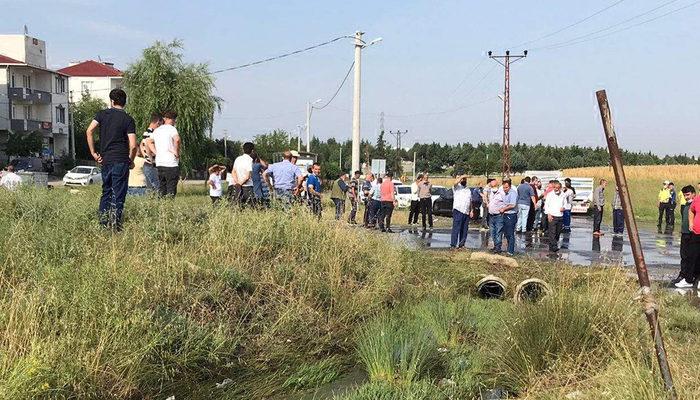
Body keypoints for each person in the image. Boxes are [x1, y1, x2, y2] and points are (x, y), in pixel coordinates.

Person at [86, 88, 137, 231]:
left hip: (105, 160)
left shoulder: (102, 114)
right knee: (118, 194)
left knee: (106, 192)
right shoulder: (128, 119)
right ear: (124, 103)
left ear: (112, 101)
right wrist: (130, 160)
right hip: (121, 160)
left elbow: (89, 130)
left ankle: (103, 224)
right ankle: (115, 226)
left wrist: (94, 153)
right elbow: (133, 145)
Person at [150, 111, 180, 197]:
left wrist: (156, 152)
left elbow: (149, 141)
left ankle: (161, 207)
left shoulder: (157, 130)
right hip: (170, 163)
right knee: (171, 189)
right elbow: (177, 140)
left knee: (162, 188)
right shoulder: (172, 129)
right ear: (173, 120)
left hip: (160, 163)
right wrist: (176, 152)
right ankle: (169, 207)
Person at [674, 185, 699, 288]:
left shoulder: (694, 201)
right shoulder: (686, 205)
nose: (686, 197)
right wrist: (690, 224)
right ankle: (684, 275)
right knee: (685, 256)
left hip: (693, 234)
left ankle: (693, 277)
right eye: (684, 195)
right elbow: (690, 214)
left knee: (693, 257)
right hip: (686, 233)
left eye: (688, 195)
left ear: (693, 193)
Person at [489, 179, 517, 255]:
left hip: (510, 215)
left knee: (510, 233)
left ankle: (510, 251)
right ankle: (502, 248)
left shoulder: (513, 193)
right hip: (504, 214)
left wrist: (503, 209)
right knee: (505, 233)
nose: (505, 189)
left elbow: (513, 205)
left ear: (510, 186)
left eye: (506, 187)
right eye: (504, 187)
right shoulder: (503, 193)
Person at [140, 113, 162, 192]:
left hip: (148, 164)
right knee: (157, 188)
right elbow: (146, 145)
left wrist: (145, 156)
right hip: (151, 164)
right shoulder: (152, 133)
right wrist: (151, 158)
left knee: (150, 189)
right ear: (158, 122)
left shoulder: (146, 133)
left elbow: (141, 145)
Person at [451, 175, 473, 249]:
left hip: (466, 211)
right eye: (462, 179)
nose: (463, 180)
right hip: (458, 210)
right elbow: (455, 183)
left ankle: (462, 244)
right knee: (456, 228)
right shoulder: (457, 188)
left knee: (464, 229)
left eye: (464, 179)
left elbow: (470, 200)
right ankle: (453, 245)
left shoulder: (468, 189)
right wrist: (462, 176)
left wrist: (471, 210)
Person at [544, 180, 566, 253]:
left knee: (557, 233)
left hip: (560, 216)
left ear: (560, 188)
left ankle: (551, 246)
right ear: (553, 188)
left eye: (558, 188)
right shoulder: (550, 194)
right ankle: (554, 246)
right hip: (552, 216)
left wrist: (563, 208)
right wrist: (548, 214)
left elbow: (566, 204)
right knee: (552, 232)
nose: (556, 189)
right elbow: (546, 205)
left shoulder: (563, 195)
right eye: (555, 188)